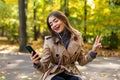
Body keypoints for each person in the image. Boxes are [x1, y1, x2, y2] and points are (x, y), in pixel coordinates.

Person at [30, 11, 102, 80]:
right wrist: (37, 63)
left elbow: (82, 61)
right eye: (51, 24)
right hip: (54, 73)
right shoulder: (49, 41)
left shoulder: (77, 37)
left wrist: (93, 51)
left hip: (71, 72)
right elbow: (44, 67)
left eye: (56, 21)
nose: (54, 25)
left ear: (63, 20)